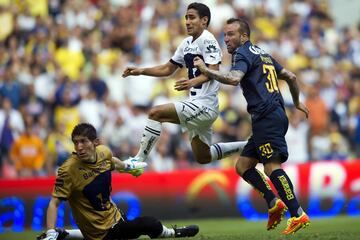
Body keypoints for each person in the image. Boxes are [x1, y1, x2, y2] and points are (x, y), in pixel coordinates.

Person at [193, 18, 310, 234]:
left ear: (244, 36)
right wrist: (295, 102)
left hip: (266, 116)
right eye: (225, 34)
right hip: (272, 116)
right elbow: (291, 77)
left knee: (271, 167)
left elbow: (234, 78)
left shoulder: (243, 53)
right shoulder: (262, 53)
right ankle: (273, 202)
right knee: (243, 166)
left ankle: (298, 213)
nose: (226, 38)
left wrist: (204, 70)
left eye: (231, 34)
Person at [122, 2, 246, 167]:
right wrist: (141, 70)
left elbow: (213, 71)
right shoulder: (186, 43)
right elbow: (168, 68)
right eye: (186, 17)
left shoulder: (208, 40)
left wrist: (192, 82)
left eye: (192, 17)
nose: (187, 21)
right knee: (203, 156)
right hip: (197, 104)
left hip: (205, 105)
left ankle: (138, 161)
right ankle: (248, 146)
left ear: (204, 20)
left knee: (155, 113)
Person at [37, 123, 199, 240]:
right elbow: (54, 203)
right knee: (149, 223)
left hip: (114, 216)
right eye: (76, 142)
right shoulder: (68, 170)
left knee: (127, 226)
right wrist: (50, 232)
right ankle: (171, 233)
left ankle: (64, 233)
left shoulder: (103, 152)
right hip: (102, 233)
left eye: (84, 141)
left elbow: (111, 161)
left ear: (95, 142)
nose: (79, 147)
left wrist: (127, 166)